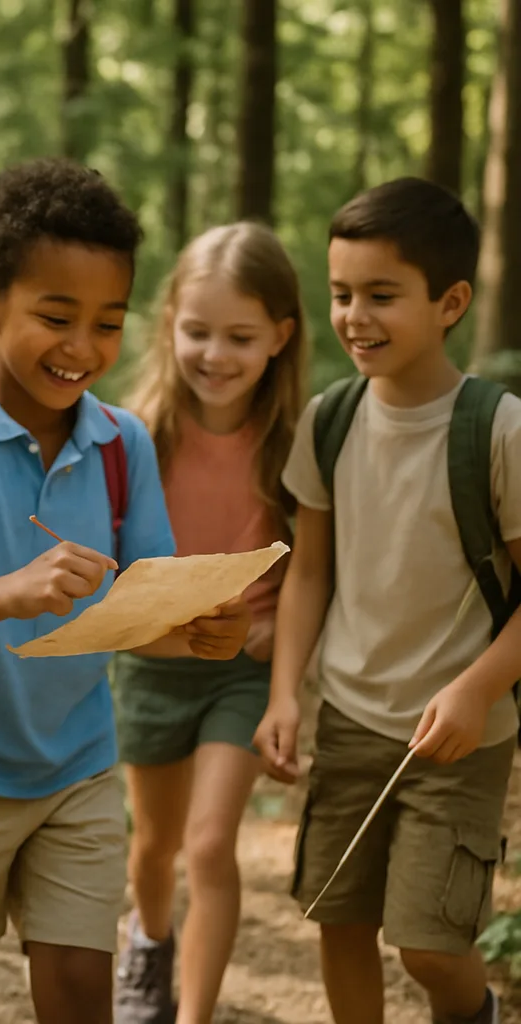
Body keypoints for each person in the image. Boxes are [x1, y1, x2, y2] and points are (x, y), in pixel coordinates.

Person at [0, 158, 251, 1024]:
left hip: (79, 770)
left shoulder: (124, 447)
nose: (82, 347)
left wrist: (198, 633)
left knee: (82, 990)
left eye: (109, 323)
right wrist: (7, 592)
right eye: (56, 316)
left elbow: (138, 616)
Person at [255, 177, 521, 1024]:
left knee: (431, 944)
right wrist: (284, 694)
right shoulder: (329, 421)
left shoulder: (499, 430)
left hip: (458, 735)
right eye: (340, 294)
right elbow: (308, 573)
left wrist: (478, 690)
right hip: (351, 721)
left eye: (381, 295)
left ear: (450, 302)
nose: (354, 316)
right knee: (338, 916)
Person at [112, 222, 305, 1024]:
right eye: (198, 332)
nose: (215, 355)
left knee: (208, 843)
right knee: (154, 846)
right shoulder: (136, 431)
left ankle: (194, 1014)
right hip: (153, 664)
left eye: (240, 336)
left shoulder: (292, 442)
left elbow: (306, 569)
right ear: (169, 328)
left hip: (243, 667)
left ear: (280, 338)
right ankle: (147, 942)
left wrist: (283, 661)